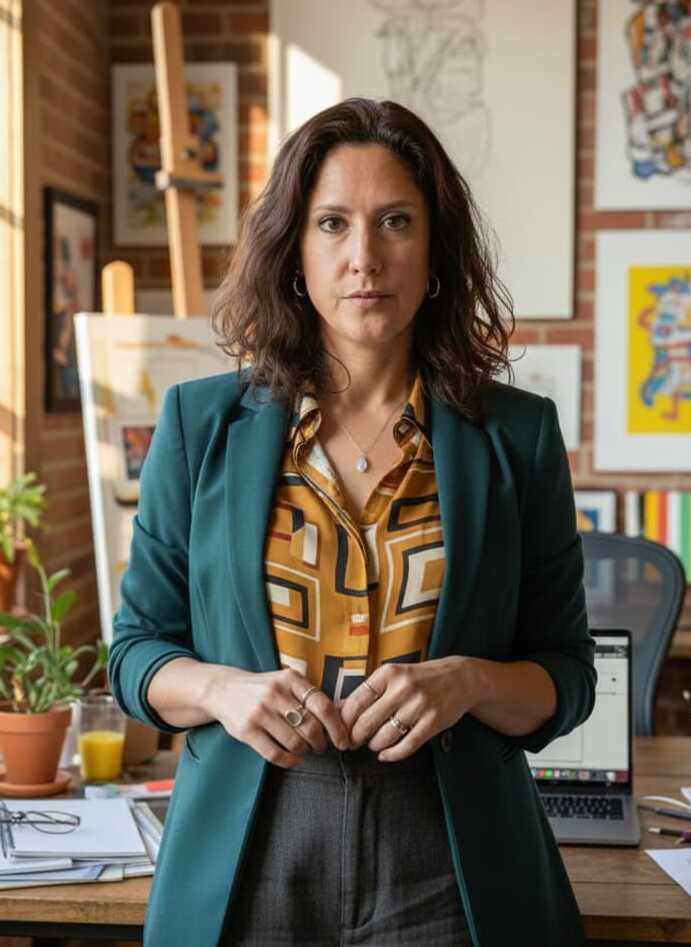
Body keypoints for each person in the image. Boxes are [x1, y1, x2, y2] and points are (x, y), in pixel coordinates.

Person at [108, 97, 596, 947]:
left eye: (395, 221)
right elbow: (135, 653)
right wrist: (222, 688)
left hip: (451, 852)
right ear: (294, 251)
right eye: (331, 223)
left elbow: (566, 674)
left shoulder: (517, 436)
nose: (363, 256)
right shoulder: (196, 426)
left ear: (435, 248)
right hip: (252, 845)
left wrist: (469, 681)